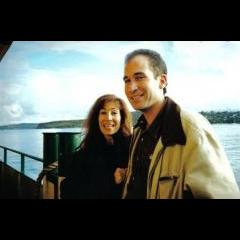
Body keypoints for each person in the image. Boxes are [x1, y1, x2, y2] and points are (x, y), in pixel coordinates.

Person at [122, 49, 240, 199]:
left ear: (162, 81)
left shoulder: (192, 130)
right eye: (127, 80)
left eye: (140, 77)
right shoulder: (139, 132)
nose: (131, 88)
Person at [60, 94, 132, 199]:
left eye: (114, 113)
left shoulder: (133, 148)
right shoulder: (85, 154)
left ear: (122, 117)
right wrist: (111, 180)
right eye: (103, 112)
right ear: (96, 118)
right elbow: (67, 191)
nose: (108, 118)